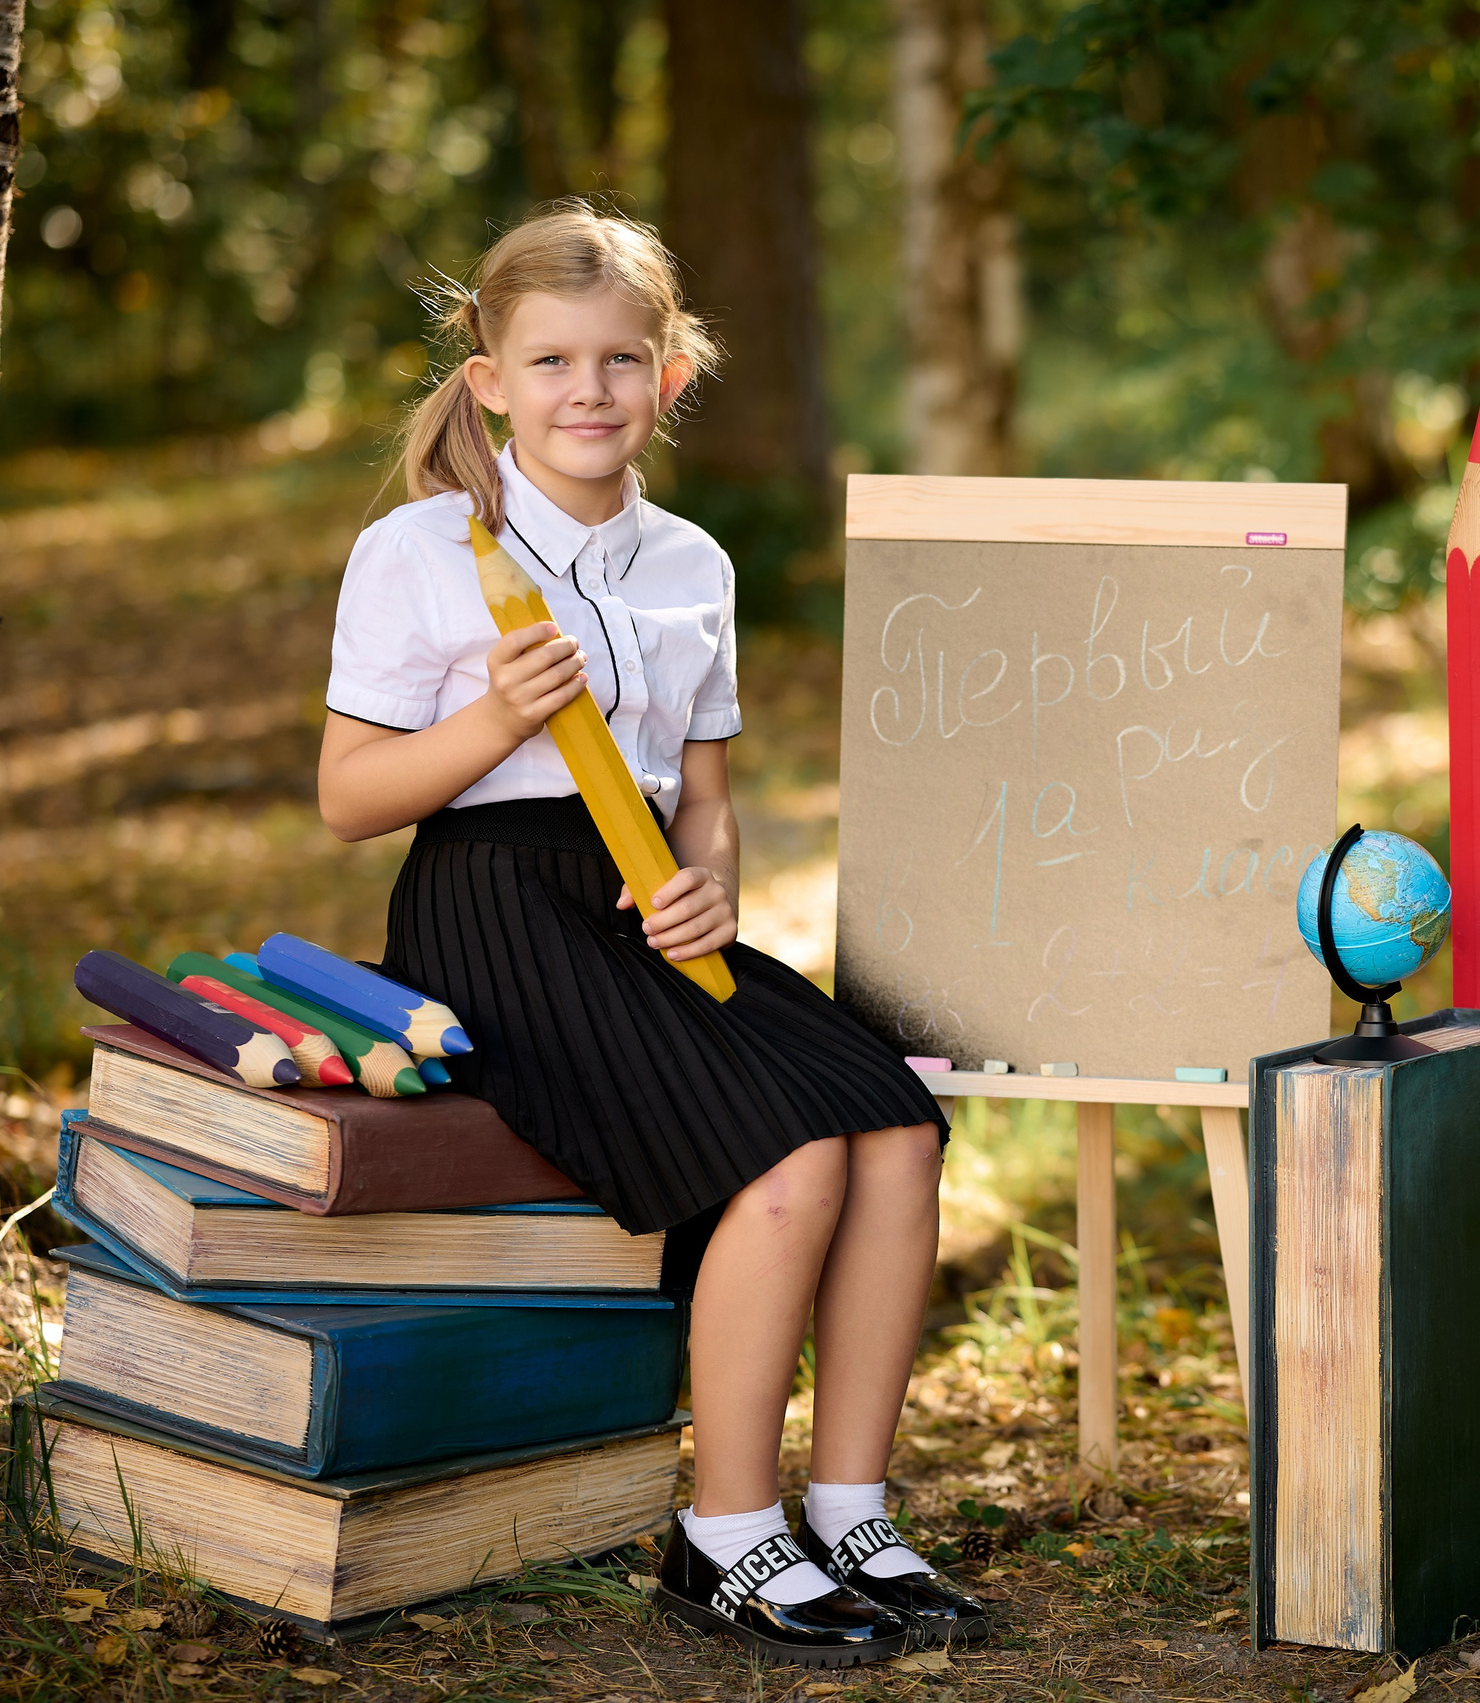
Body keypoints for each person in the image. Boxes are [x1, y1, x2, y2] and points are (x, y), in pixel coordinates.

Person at [314, 204, 988, 1668]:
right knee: (789, 1154)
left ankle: (851, 1508)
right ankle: (726, 1531)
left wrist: (712, 886)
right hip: (492, 908)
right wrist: (491, 721)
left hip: (642, 903)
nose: (590, 390)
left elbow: (710, 799)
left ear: (670, 373)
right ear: (490, 380)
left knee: (895, 1123)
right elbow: (348, 797)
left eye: (622, 359)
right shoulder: (422, 551)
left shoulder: (694, 562)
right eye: (552, 362)